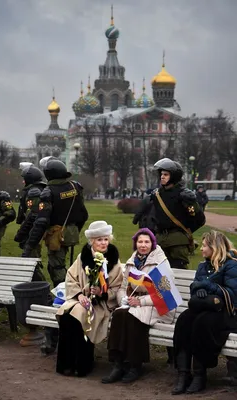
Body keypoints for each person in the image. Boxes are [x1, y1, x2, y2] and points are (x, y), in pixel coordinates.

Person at [102, 228, 176, 384]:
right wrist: (124, 299)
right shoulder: (132, 262)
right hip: (134, 302)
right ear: (136, 244)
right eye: (140, 242)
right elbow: (123, 287)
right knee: (119, 314)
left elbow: (166, 294)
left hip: (159, 305)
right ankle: (118, 363)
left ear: (152, 244)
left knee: (133, 317)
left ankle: (135, 365)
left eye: (146, 242)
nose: (143, 245)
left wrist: (140, 302)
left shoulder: (161, 262)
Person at [172, 230, 237, 395]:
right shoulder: (203, 265)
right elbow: (195, 285)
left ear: (214, 247)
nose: (201, 249)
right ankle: (183, 374)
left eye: (204, 245)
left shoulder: (231, 265)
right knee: (184, 320)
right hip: (205, 307)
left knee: (202, 323)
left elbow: (232, 294)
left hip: (226, 313)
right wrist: (197, 291)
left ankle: (200, 375)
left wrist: (208, 287)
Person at [56, 221, 123, 377]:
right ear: (92, 241)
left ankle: (82, 365)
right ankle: (66, 364)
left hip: (100, 305)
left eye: (106, 239)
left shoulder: (114, 261)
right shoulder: (82, 257)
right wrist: (79, 295)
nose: (103, 243)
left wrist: (101, 293)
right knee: (67, 316)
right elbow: (71, 277)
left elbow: (117, 288)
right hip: (80, 299)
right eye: (99, 240)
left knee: (79, 316)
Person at [22, 158, 88, 287]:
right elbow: (83, 214)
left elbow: (41, 221)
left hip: (56, 234)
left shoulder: (48, 192)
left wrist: (30, 245)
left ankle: (64, 295)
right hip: (71, 231)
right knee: (59, 264)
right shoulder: (75, 186)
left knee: (56, 267)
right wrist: (74, 229)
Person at [133, 158, 205, 270]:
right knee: (157, 273)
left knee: (178, 272)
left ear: (174, 176)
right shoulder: (157, 194)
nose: (162, 177)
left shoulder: (183, 195)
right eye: (161, 174)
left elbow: (199, 219)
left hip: (177, 243)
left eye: (166, 174)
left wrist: (184, 232)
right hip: (160, 240)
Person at [14, 163, 46, 281]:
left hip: (32, 231)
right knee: (31, 260)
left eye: (24, 179)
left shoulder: (34, 192)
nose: (23, 181)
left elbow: (32, 215)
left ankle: (43, 289)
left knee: (31, 262)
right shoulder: (39, 189)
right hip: (34, 230)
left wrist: (22, 233)